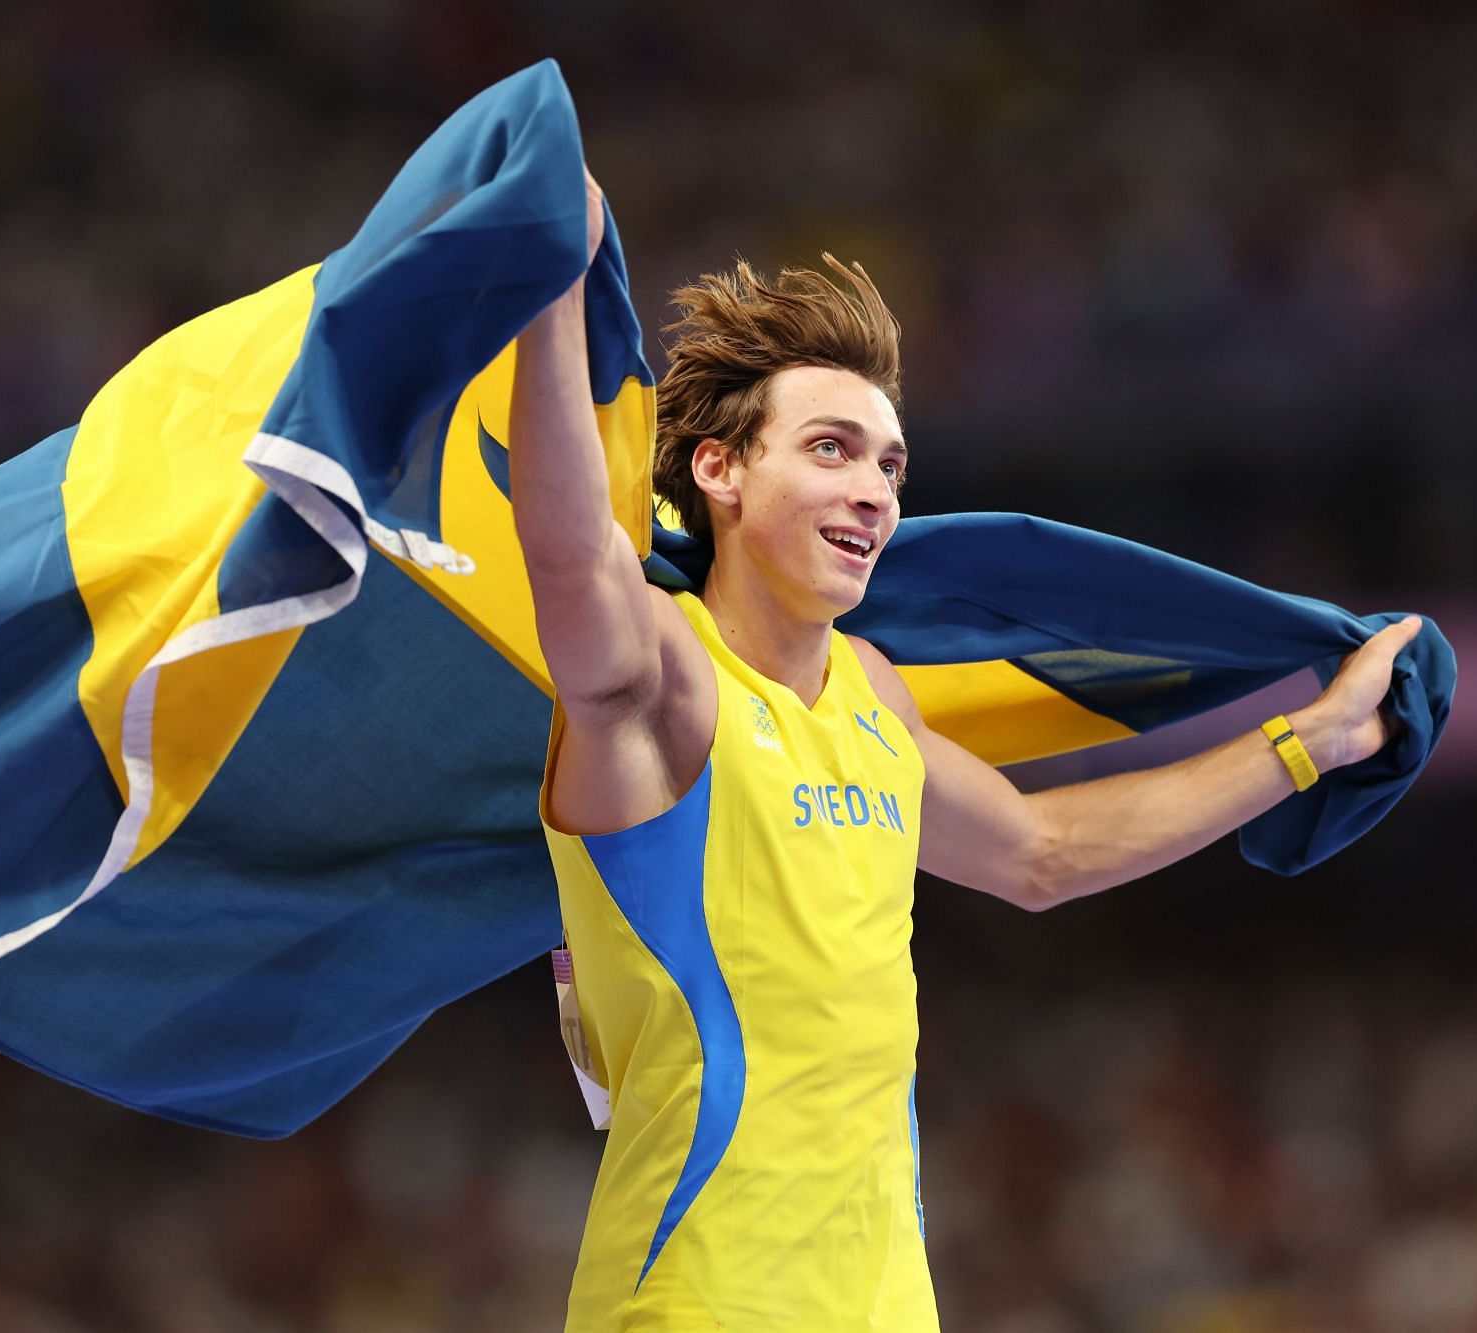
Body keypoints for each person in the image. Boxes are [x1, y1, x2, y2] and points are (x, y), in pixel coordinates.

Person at [508, 172, 1420, 1330]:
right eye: (832, 448)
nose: (874, 492)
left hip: (889, 1304)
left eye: (890, 464)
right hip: (700, 1302)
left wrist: (1311, 741)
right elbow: (569, 554)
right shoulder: (664, 676)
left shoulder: (872, 694)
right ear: (721, 471)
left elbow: (1042, 850)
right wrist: (546, 287)